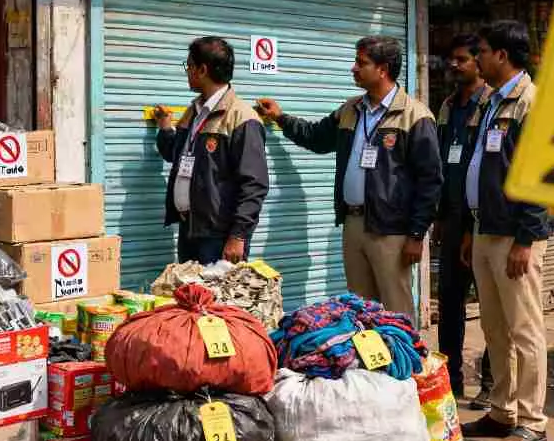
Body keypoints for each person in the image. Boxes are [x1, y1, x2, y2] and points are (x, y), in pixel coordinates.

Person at [255, 36, 442, 320]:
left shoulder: (414, 115)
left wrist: (417, 234)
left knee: (396, 312)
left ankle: (404, 351)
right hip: (354, 224)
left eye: (361, 63)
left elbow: (430, 181)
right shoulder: (351, 109)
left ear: (382, 69)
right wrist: (281, 118)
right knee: (360, 310)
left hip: (391, 230)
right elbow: (317, 138)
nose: (353, 68)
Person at [459, 20, 554, 441]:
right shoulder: (491, 101)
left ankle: (533, 420)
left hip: (516, 237)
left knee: (524, 329)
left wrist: (526, 240)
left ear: (501, 54)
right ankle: (503, 411)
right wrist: (471, 227)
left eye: (481, 51)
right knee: (495, 328)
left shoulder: (531, 103)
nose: (476, 59)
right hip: (486, 228)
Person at [155, 36, 269, 265]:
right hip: (190, 229)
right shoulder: (194, 111)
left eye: (189, 66)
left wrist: (238, 235)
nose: (187, 72)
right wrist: (166, 129)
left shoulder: (241, 117)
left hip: (219, 237)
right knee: (190, 289)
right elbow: (176, 155)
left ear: (202, 70)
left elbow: (254, 184)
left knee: (217, 290)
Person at [436, 35, 493, 404]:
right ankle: (451, 381)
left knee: (491, 306)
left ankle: (491, 384)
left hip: (482, 220)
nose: (453, 65)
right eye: (451, 59)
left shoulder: (491, 104)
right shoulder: (447, 106)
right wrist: (440, 217)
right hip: (452, 220)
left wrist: (473, 227)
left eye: (461, 59)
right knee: (450, 305)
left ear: (479, 62)